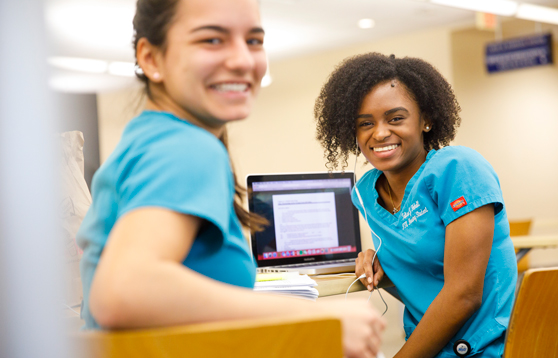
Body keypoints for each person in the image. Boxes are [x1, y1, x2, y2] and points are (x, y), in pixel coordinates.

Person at [76, 1, 385, 357]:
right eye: (211, 40)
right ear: (150, 58)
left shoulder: (147, 138)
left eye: (254, 41)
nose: (242, 60)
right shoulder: (187, 146)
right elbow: (123, 290)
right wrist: (317, 320)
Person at [314, 53, 517, 358]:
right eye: (365, 124)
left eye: (396, 118)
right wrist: (376, 261)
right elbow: (422, 277)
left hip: (484, 348)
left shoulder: (458, 168)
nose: (380, 133)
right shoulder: (366, 195)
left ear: (426, 120)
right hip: (430, 346)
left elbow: (464, 295)